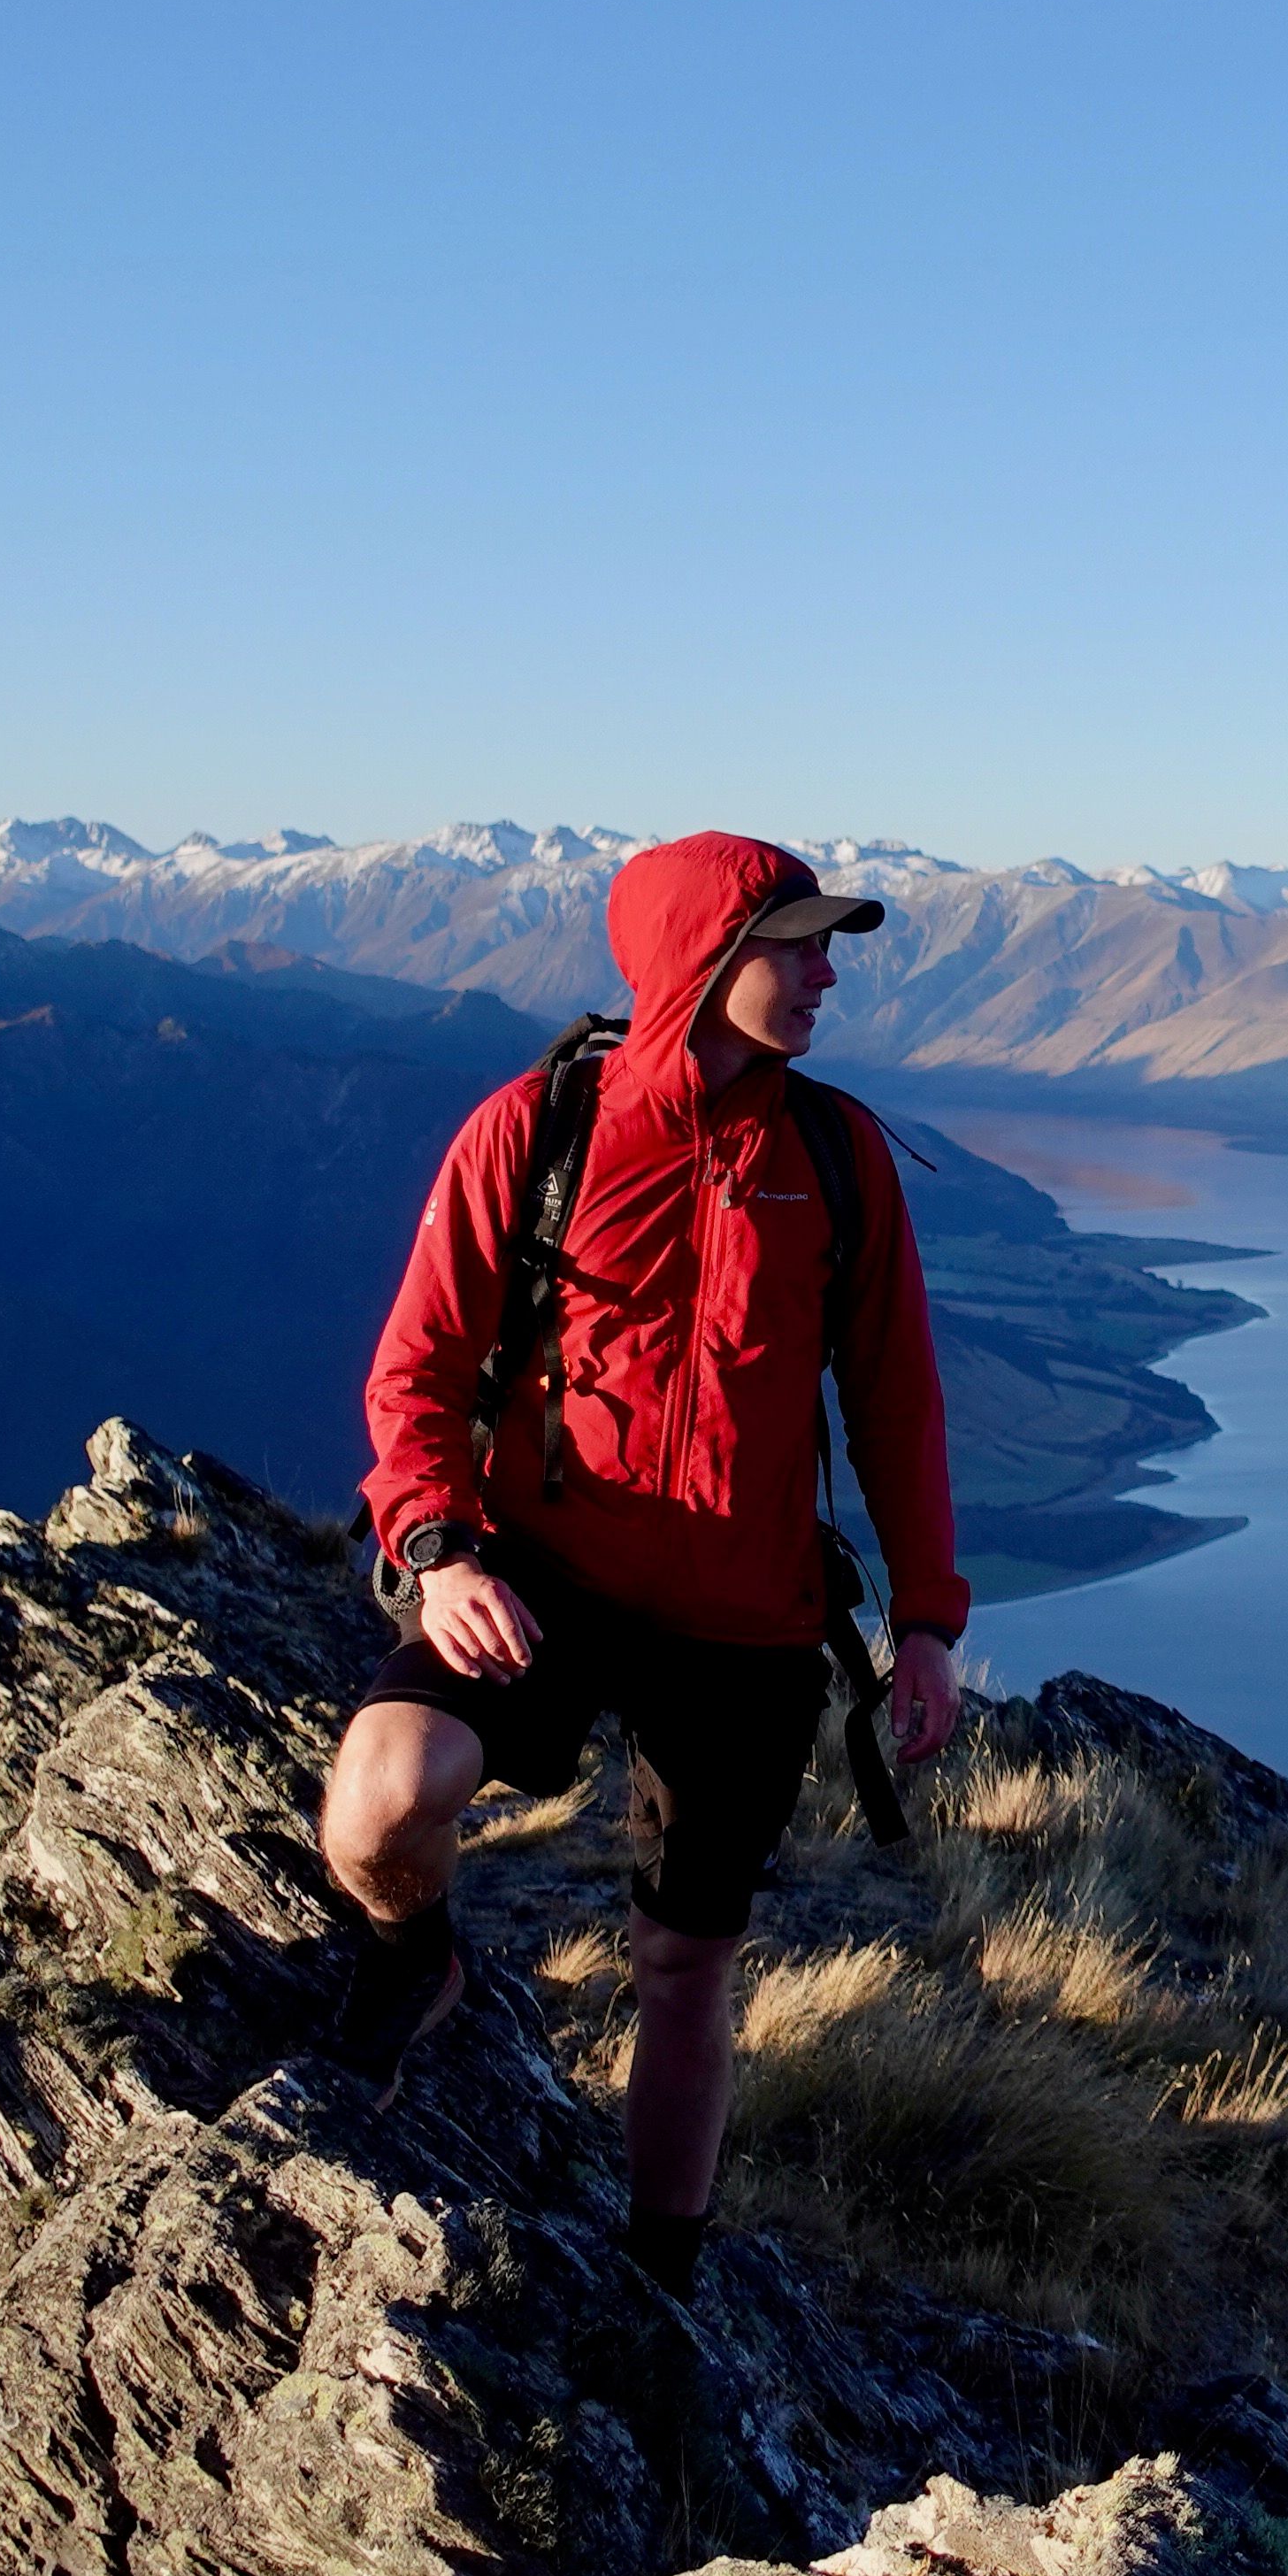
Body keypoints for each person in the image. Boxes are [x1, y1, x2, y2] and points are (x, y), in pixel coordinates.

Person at [316, 829, 968, 2299]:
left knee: (686, 1966)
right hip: (544, 1576)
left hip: (747, 1627)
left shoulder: (838, 1158)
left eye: (826, 946)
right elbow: (416, 1370)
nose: (824, 976)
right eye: (793, 947)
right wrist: (436, 1547)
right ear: (700, 961)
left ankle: (662, 2277)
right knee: (379, 1801)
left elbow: (898, 1404)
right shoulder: (536, 1130)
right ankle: (415, 1951)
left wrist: (927, 1623)